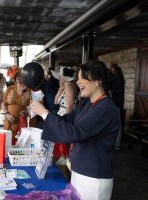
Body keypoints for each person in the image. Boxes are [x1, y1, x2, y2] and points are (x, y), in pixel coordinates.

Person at [30, 59, 120, 200]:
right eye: (78, 78)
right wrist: (45, 113)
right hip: (79, 171)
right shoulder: (86, 103)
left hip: (94, 178)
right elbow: (66, 121)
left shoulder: (106, 108)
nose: (78, 82)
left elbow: (74, 133)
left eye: (83, 78)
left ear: (98, 81)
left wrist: (45, 114)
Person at [1, 68, 34, 144]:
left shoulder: (30, 90)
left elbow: (36, 106)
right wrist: (7, 114)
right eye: (17, 75)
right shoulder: (9, 89)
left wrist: (27, 112)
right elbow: (3, 103)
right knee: (8, 144)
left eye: (21, 75)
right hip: (9, 122)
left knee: (23, 145)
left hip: (25, 123)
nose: (18, 77)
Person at [110, 64, 125, 149]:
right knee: (117, 124)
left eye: (112, 70)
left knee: (117, 124)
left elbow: (114, 92)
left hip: (116, 103)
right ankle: (116, 143)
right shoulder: (120, 78)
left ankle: (117, 143)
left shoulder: (116, 79)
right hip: (118, 103)